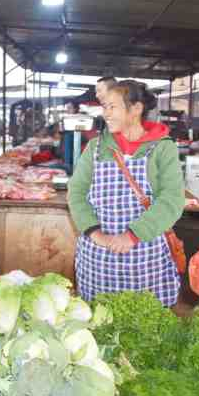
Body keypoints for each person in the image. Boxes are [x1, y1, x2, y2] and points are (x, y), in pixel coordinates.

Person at [68, 80, 185, 307]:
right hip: (98, 256)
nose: (106, 114)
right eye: (105, 108)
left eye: (113, 107)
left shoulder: (162, 147)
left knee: (143, 322)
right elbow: (76, 193)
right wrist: (95, 233)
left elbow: (172, 200)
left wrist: (132, 235)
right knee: (97, 321)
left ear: (136, 109)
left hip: (144, 255)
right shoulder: (96, 147)